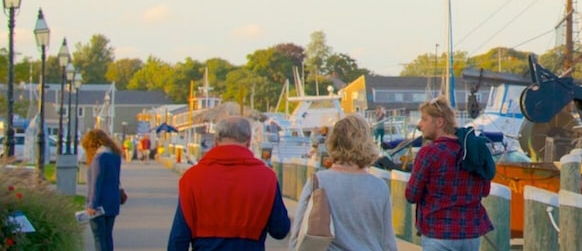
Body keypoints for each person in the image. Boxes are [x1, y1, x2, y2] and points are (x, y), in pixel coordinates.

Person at [169, 116, 289, 250]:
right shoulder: (267, 178)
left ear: (216, 141)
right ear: (249, 142)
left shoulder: (192, 178)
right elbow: (280, 230)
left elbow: (178, 238)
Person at [297, 114, 395, 251]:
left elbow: (298, 232)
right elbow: (388, 241)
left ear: (334, 142)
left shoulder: (318, 181)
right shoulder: (380, 187)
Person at [405, 99, 492, 251]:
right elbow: (484, 191)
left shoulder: (429, 153)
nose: (420, 124)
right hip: (470, 233)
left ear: (439, 122)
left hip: (438, 232)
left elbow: (412, 195)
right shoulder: (472, 150)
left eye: (424, 119)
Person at [83, 128, 126, 251]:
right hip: (113, 202)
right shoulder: (115, 156)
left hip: (100, 204)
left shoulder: (99, 158)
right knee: (107, 236)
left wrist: (92, 204)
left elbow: (96, 183)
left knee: (99, 237)